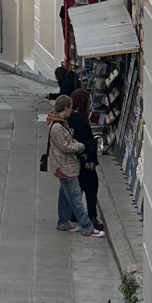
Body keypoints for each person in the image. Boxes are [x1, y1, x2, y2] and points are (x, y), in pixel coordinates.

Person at [45, 96, 104, 236]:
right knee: (75, 197)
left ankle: (63, 222)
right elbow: (64, 146)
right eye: (70, 108)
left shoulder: (59, 123)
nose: (71, 110)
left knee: (64, 197)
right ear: (65, 108)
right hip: (65, 167)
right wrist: (80, 146)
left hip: (64, 166)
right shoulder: (57, 126)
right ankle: (88, 227)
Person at [69, 86, 103, 232]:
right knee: (91, 186)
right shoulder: (79, 120)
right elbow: (84, 141)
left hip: (75, 159)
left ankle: (74, 214)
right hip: (84, 159)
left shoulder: (71, 117)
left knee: (79, 187)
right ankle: (92, 217)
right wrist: (89, 160)